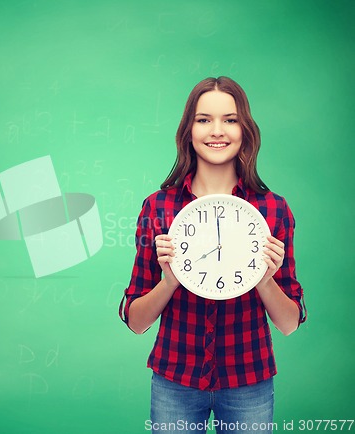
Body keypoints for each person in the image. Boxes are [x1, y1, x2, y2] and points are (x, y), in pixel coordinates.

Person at [119, 76, 307, 434]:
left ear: (245, 130)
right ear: (188, 129)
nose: (216, 131)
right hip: (175, 379)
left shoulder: (273, 210)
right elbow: (136, 320)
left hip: (248, 379)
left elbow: (289, 323)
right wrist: (170, 280)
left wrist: (265, 279)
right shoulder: (158, 208)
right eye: (204, 119)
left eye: (230, 119)